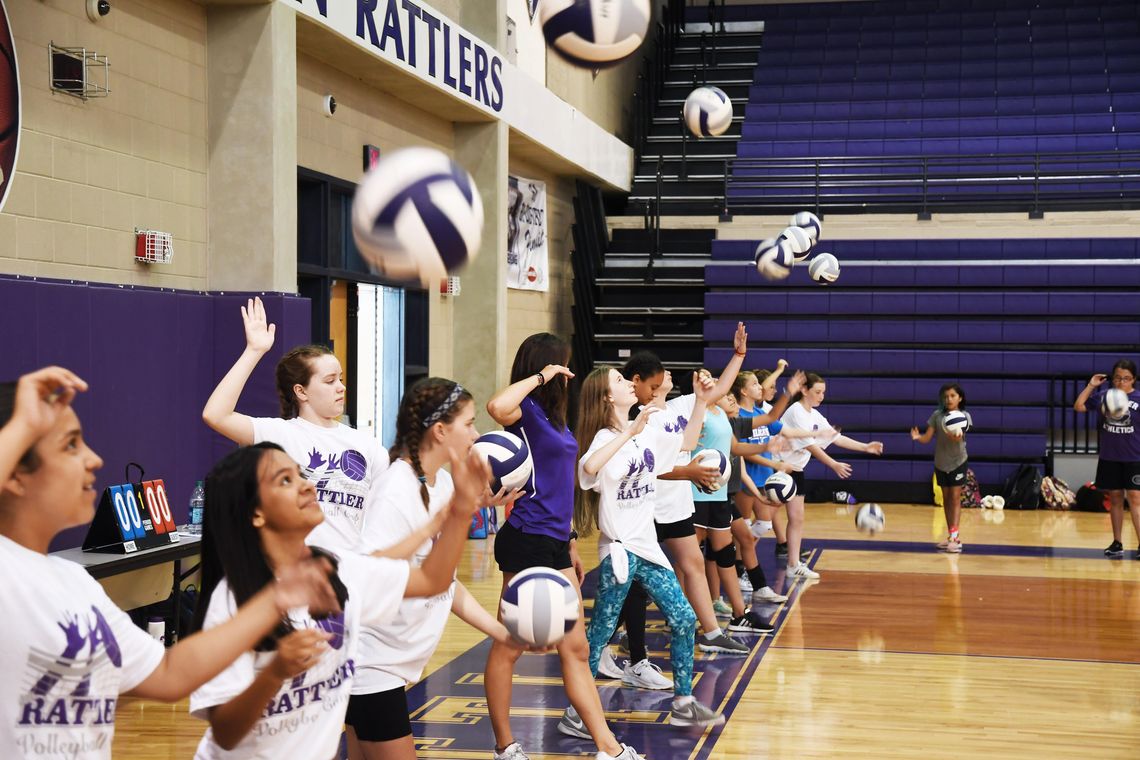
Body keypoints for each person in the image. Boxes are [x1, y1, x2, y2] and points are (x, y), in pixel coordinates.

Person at [0, 367, 340, 760]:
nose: (94, 459)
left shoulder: (73, 582)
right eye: (71, 445)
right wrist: (24, 424)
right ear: (15, 475)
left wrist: (275, 601)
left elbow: (168, 675)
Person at [188, 438, 487, 758]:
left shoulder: (335, 569)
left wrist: (459, 511)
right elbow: (225, 733)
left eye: (301, 474)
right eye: (285, 480)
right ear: (256, 514)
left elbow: (433, 580)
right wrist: (275, 673)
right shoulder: (234, 601)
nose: (306, 486)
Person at [345, 379, 526, 760]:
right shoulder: (395, 489)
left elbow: (445, 584)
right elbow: (369, 574)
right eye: (470, 424)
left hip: (393, 665)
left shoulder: (443, 484)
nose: (477, 435)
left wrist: (501, 632)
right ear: (440, 430)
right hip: (370, 666)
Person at [484, 334, 641, 760]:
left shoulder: (556, 419)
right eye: (563, 366)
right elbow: (495, 407)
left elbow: (558, 484)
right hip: (526, 540)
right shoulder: (525, 413)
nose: (568, 373)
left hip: (555, 542)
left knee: (576, 648)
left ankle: (608, 748)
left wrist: (571, 539)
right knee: (511, 644)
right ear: (547, 365)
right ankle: (505, 745)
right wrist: (540, 375)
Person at [574, 367, 724, 729]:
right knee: (599, 636)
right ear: (607, 397)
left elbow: (686, 445)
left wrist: (701, 401)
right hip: (620, 551)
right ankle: (576, 716)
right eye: (620, 382)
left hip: (648, 548)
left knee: (685, 618)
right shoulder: (604, 439)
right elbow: (588, 468)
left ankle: (684, 703)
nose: (630, 384)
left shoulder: (644, 431)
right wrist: (630, 431)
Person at [203, 297, 387, 553]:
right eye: (330, 380)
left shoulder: (368, 446)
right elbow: (216, 415)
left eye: (341, 379)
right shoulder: (279, 434)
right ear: (301, 391)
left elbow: (382, 521)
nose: (341, 387)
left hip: (350, 577)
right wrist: (254, 351)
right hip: (291, 576)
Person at [778, 373, 883, 581]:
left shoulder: (814, 415)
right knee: (761, 521)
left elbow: (836, 437)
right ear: (804, 390)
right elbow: (810, 444)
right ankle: (740, 565)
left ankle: (793, 564)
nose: (822, 396)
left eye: (824, 392)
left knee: (797, 518)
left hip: (795, 471)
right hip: (776, 469)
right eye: (817, 392)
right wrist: (833, 464)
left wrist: (865, 447)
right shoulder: (796, 412)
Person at [1073, 359, 1140, 559]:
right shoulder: (1105, 396)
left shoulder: (1138, 398)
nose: (1121, 382)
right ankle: (1117, 542)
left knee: (1136, 499)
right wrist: (1091, 386)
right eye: (1118, 378)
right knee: (1116, 499)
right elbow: (1079, 406)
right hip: (1110, 457)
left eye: (1126, 378)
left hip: (1134, 458)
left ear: (1133, 379)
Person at [911, 383, 972, 553]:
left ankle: (955, 537)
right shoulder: (937, 416)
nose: (949, 399)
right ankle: (950, 535)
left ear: (960, 398)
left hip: (958, 462)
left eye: (952, 396)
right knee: (946, 499)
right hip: (940, 462)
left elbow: (958, 438)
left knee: (955, 497)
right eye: (946, 396)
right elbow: (927, 438)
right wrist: (918, 437)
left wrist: (956, 435)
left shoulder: (964, 416)